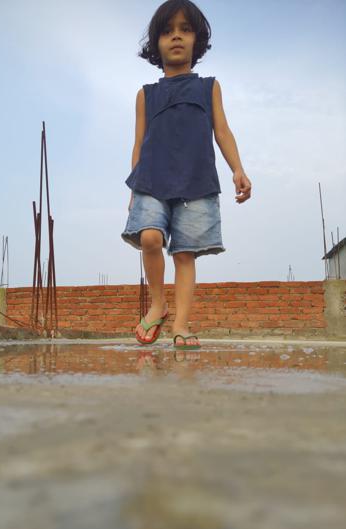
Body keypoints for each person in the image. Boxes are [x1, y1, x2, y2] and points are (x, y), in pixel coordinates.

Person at [121, 0, 251, 349]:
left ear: (197, 40)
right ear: (156, 43)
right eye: (167, 31)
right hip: (151, 181)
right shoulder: (145, 95)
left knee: (184, 254)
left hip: (195, 182)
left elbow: (222, 131)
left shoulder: (209, 87)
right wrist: (134, 186)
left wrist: (238, 168)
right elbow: (138, 142)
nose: (176, 36)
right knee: (150, 238)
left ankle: (181, 325)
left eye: (184, 29)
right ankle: (158, 304)